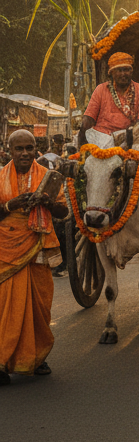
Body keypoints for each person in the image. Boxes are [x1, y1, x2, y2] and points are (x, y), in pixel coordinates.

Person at [0, 129, 68, 384]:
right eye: (19, 149)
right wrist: (12, 205)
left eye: (30, 147)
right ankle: (3, 360)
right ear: (9, 151)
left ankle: (36, 357)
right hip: (6, 248)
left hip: (38, 247)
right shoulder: (0, 178)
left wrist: (48, 203)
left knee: (39, 306)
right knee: (6, 306)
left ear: (36, 149)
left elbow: (62, 213)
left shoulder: (48, 177)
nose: (26, 153)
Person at [79, 51, 139, 151]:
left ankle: (135, 159)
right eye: (119, 70)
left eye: (126, 70)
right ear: (112, 72)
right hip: (102, 136)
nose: (123, 74)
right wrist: (81, 140)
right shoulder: (101, 89)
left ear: (131, 71)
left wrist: (129, 135)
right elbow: (89, 118)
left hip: (128, 137)